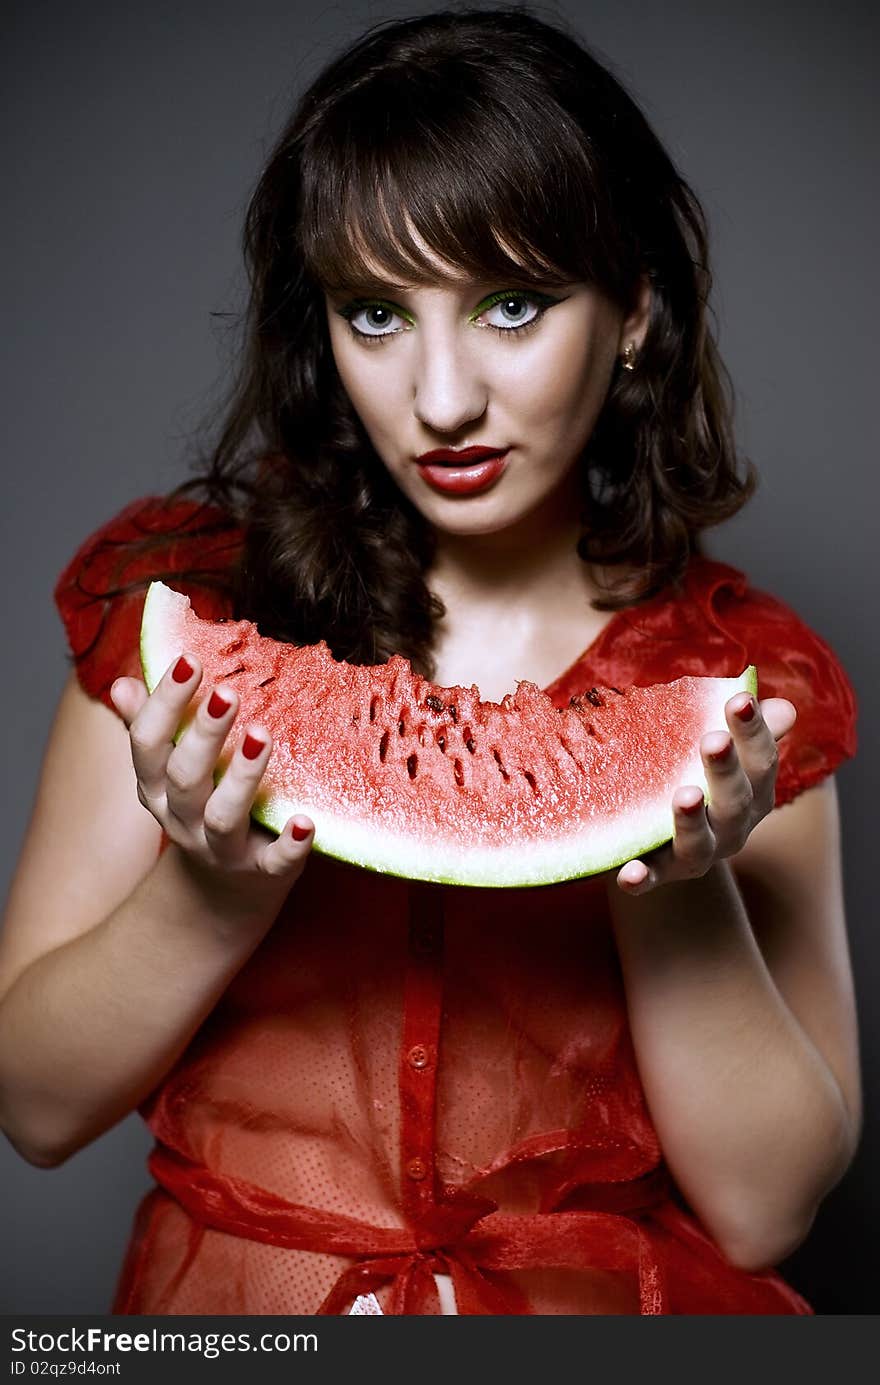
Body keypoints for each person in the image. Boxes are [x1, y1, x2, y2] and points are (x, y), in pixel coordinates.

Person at [0, 7, 861, 1315]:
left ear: (635, 310)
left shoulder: (733, 685)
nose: (442, 397)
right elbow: (34, 1107)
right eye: (377, 312)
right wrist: (211, 891)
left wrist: (672, 877)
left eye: (512, 305)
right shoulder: (189, 622)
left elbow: (761, 1208)